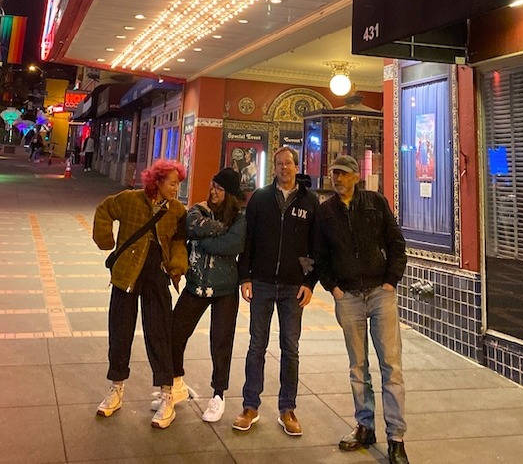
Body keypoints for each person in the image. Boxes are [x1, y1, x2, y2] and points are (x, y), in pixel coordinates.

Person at [313, 155, 410, 464]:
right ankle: (365, 427)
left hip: (380, 293)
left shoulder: (375, 203)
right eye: (334, 174)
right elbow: (319, 255)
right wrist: (333, 288)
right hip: (348, 297)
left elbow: (396, 242)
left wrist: (391, 280)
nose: (337, 179)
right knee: (358, 367)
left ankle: (396, 438)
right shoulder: (325, 211)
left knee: (391, 366)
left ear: (356, 176)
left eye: (343, 174)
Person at [92, 159, 189, 429]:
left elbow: (179, 241)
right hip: (127, 274)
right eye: (172, 183)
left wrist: (177, 265)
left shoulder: (177, 211)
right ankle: (116, 388)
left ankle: (167, 394)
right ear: (156, 181)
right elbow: (104, 209)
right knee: (120, 330)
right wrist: (106, 239)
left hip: (157, 276)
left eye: (178, 184)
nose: (176, 189)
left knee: (160, 333)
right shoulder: (130, 199)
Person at [233, 146, 319, 436]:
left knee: (290, 348)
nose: (284, 167)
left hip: (294, 287)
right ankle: (250, 406)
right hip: (262, 282)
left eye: (289, 163)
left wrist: (308, 282)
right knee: (256, 345)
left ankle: (287, 409)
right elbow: (248, 240)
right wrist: (245, 276)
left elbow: (314, 246)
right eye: (279, 163)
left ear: (297, 166)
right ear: (274, 167)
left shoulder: (310, 202)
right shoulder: (260, 198)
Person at [150, 167, 246, 424]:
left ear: (230, 194)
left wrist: (204, 241)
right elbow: (191, 225)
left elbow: (234, 244)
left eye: (220, 188)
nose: (213, 191)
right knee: (174, 333)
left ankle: (218, 394)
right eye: (213, 185)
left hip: (225, 289)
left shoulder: (239, 218)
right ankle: (176, 383)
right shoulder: (198, 210)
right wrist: (220, 231)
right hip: (196, 285)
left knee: (221, 342)